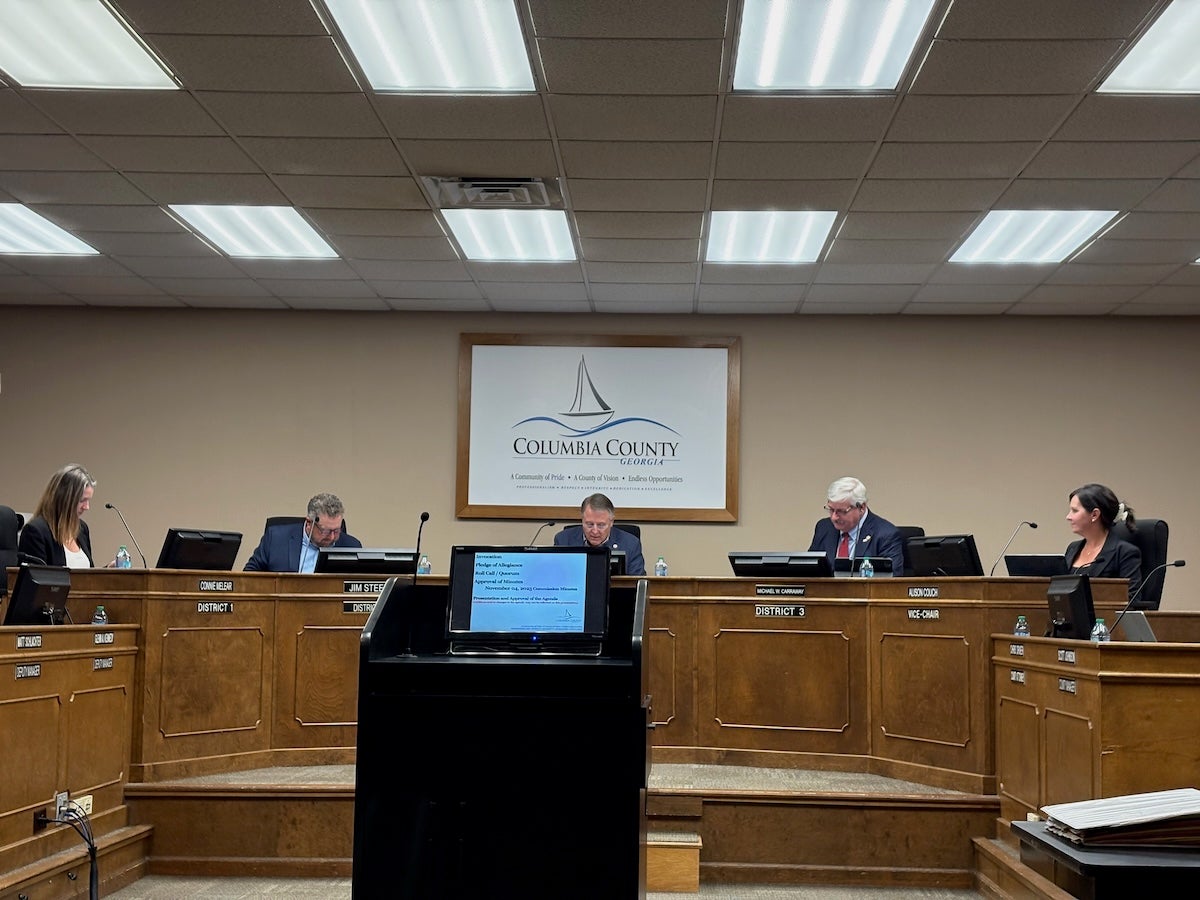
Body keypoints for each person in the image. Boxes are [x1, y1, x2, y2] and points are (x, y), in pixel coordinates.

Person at [244, 492, 362, 573]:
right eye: (326, 531)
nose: (332, 537)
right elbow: (249, 575)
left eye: (336, 531)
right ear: (309, 523)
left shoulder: (352, 547)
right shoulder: (276, 538)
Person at [808, 476, 904, 574]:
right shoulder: (824, 528)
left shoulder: (885, 535)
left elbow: (892, 578)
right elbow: (809, 569)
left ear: (861, 507)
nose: (834, 517)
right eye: (831, 510)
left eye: (841, 511)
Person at [1063, 483, 1141, 600]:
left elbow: (1131, 599)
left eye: (1074, 511)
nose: (1068, 517)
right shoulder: (1072, 548)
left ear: (1094, 514)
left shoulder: (1124, 553)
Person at [18, 464, 96, 568]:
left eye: (88, 500)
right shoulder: (36, 532)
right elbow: (36, 577)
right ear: (64, 498)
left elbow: (89, 574)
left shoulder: (82, 528)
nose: (87, 507)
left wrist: (108, 569)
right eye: (82, 500)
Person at [554, 493, 646, 576]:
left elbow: (637, 582)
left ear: (611, 522)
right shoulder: (563, 540)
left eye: (601, 525)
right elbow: (556, 576)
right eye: (589, 524)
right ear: (582, 520)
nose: (595, 531)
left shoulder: (631, 544)